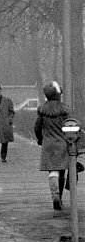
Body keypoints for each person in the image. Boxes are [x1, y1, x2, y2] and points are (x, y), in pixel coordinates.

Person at [34, 81, 73, 210]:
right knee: (62, 171)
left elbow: (37, 127)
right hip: (62, 143)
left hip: (48, 143)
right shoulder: (64, 109)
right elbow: (70, 126)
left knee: (52, 170)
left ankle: (54, 194)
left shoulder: (42, 110)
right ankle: (59, 197)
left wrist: (40, 139)